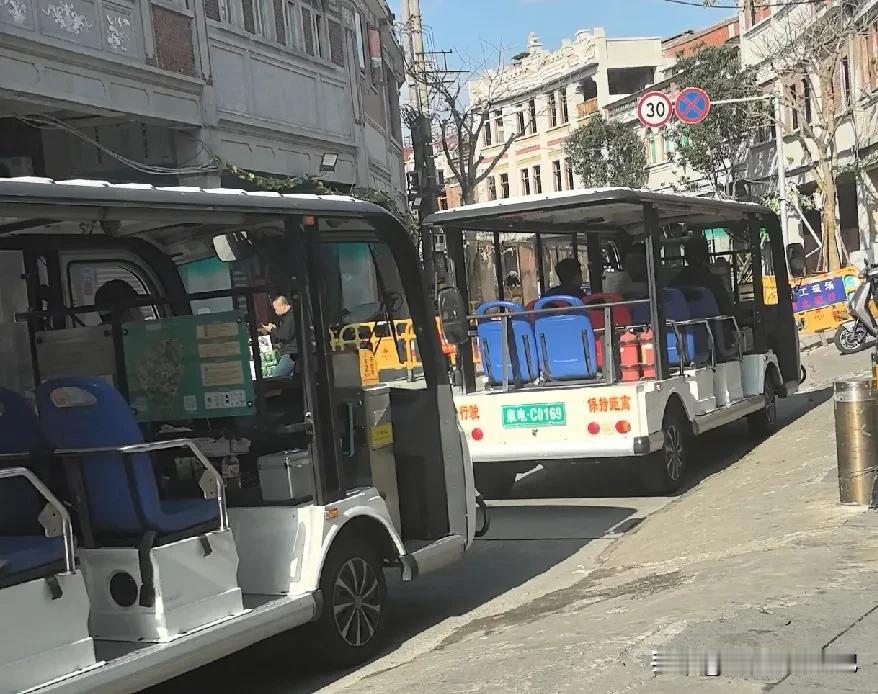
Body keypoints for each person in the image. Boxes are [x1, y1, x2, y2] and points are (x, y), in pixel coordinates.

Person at [671, 237, 735, 317]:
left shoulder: (677, 281)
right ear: (706, 255)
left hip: (682, 327)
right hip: (712, 326)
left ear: (686, 256)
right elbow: (727, 309)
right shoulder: (714, 281)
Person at [261, 294, 297, 378]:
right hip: (293, 352)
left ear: (283, 306)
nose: (275, 311)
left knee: (275, 378)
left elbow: (284, 336)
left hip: (291, 353)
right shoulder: (289, 316)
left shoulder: (289, 317)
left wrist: (272, 330)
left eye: (276, 308)